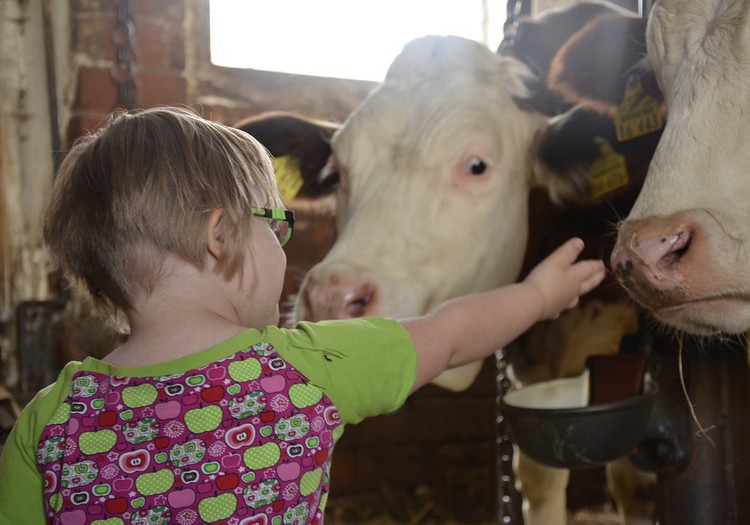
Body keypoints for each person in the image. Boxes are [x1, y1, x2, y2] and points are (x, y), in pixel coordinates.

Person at [0, 106, 605, 525]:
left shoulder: (50, 421)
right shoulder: (303, 369)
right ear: (221, 236)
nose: (284, 247)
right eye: (277, 223)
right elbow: (449, 337)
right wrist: (539, 297)